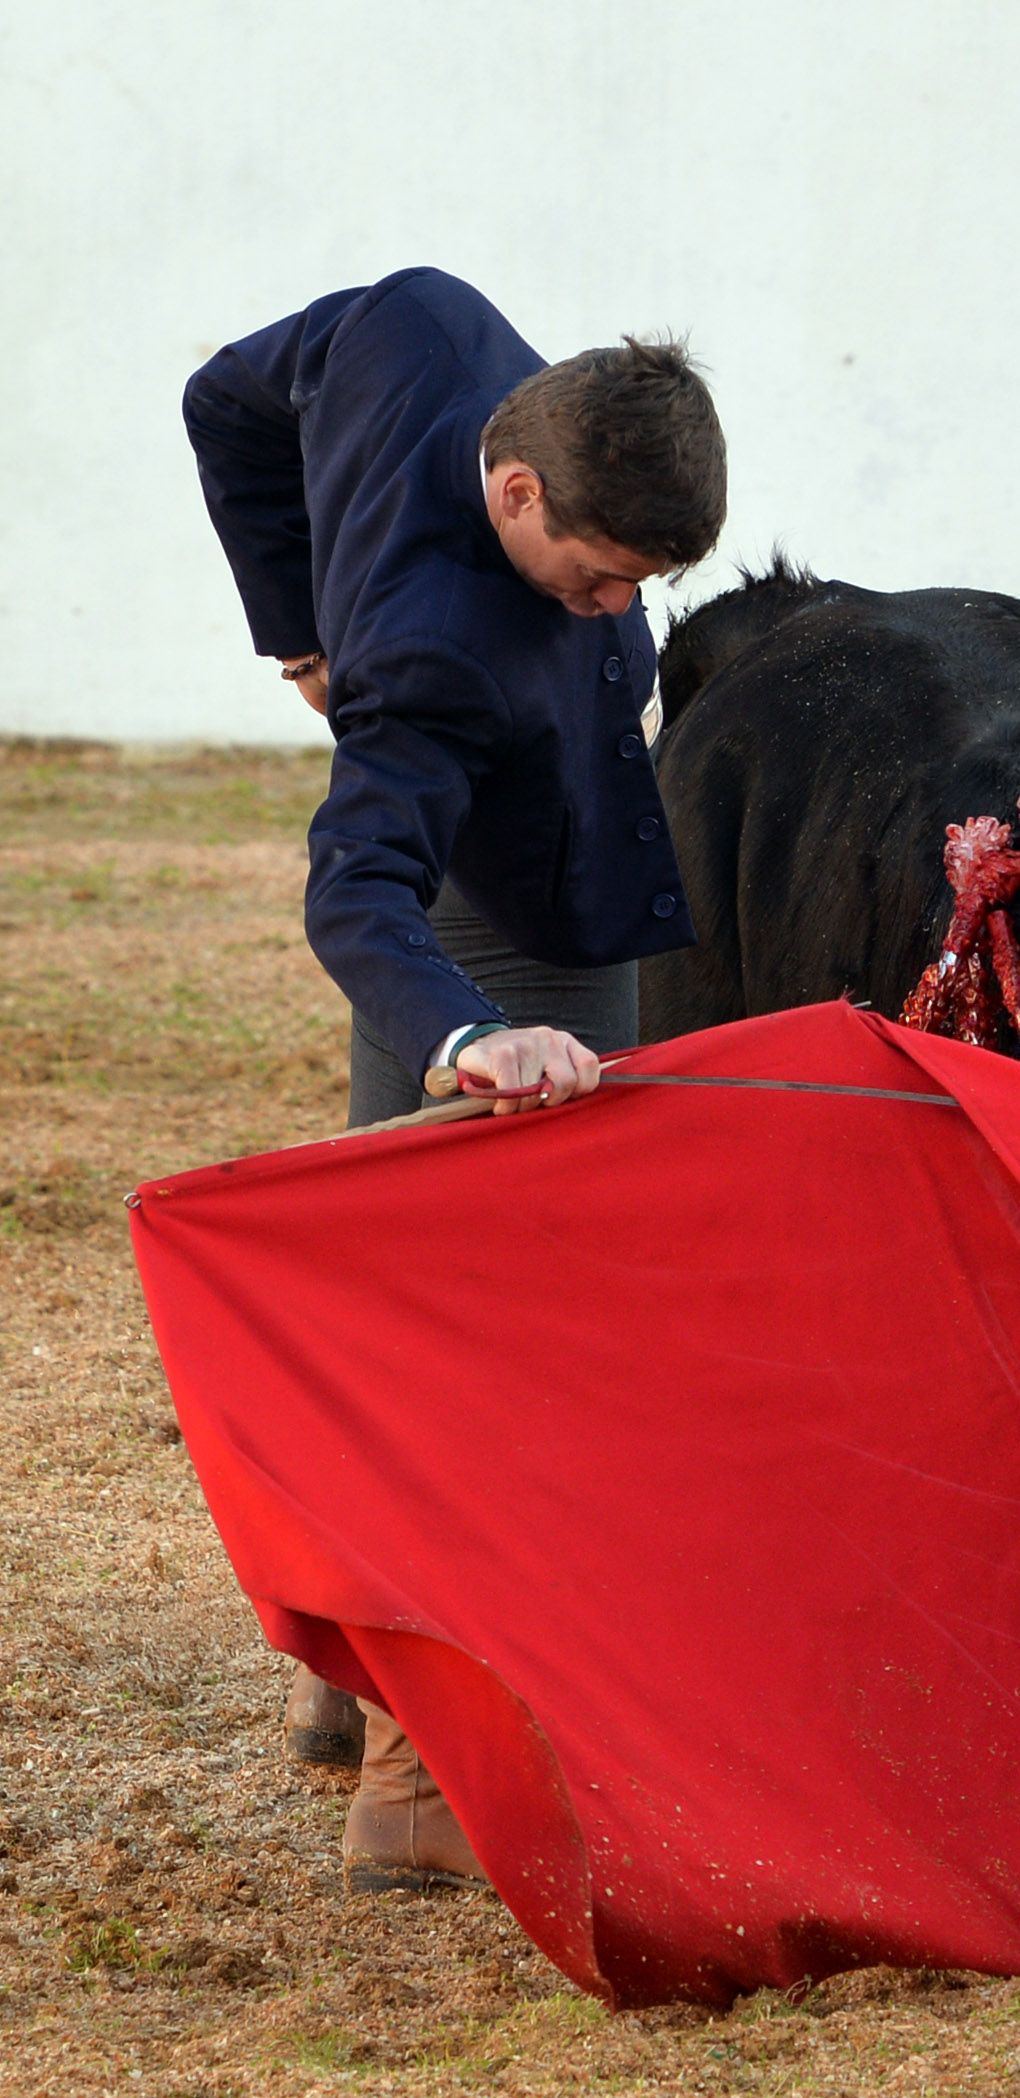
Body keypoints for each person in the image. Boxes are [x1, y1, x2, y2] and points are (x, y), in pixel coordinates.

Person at [184, 267, 727, 1892]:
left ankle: (357, 1670)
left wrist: (287, 616)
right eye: (595, 575)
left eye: (639, 586)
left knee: (419, 1290)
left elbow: (222, 394)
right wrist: (473, 1033)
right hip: (501, 931)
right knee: (497, 1327)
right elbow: (356, 890)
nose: (612, 606)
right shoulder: (430, 655)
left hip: (555, 849)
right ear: (516, 488)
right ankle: (416, 1781)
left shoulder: (415, 322)